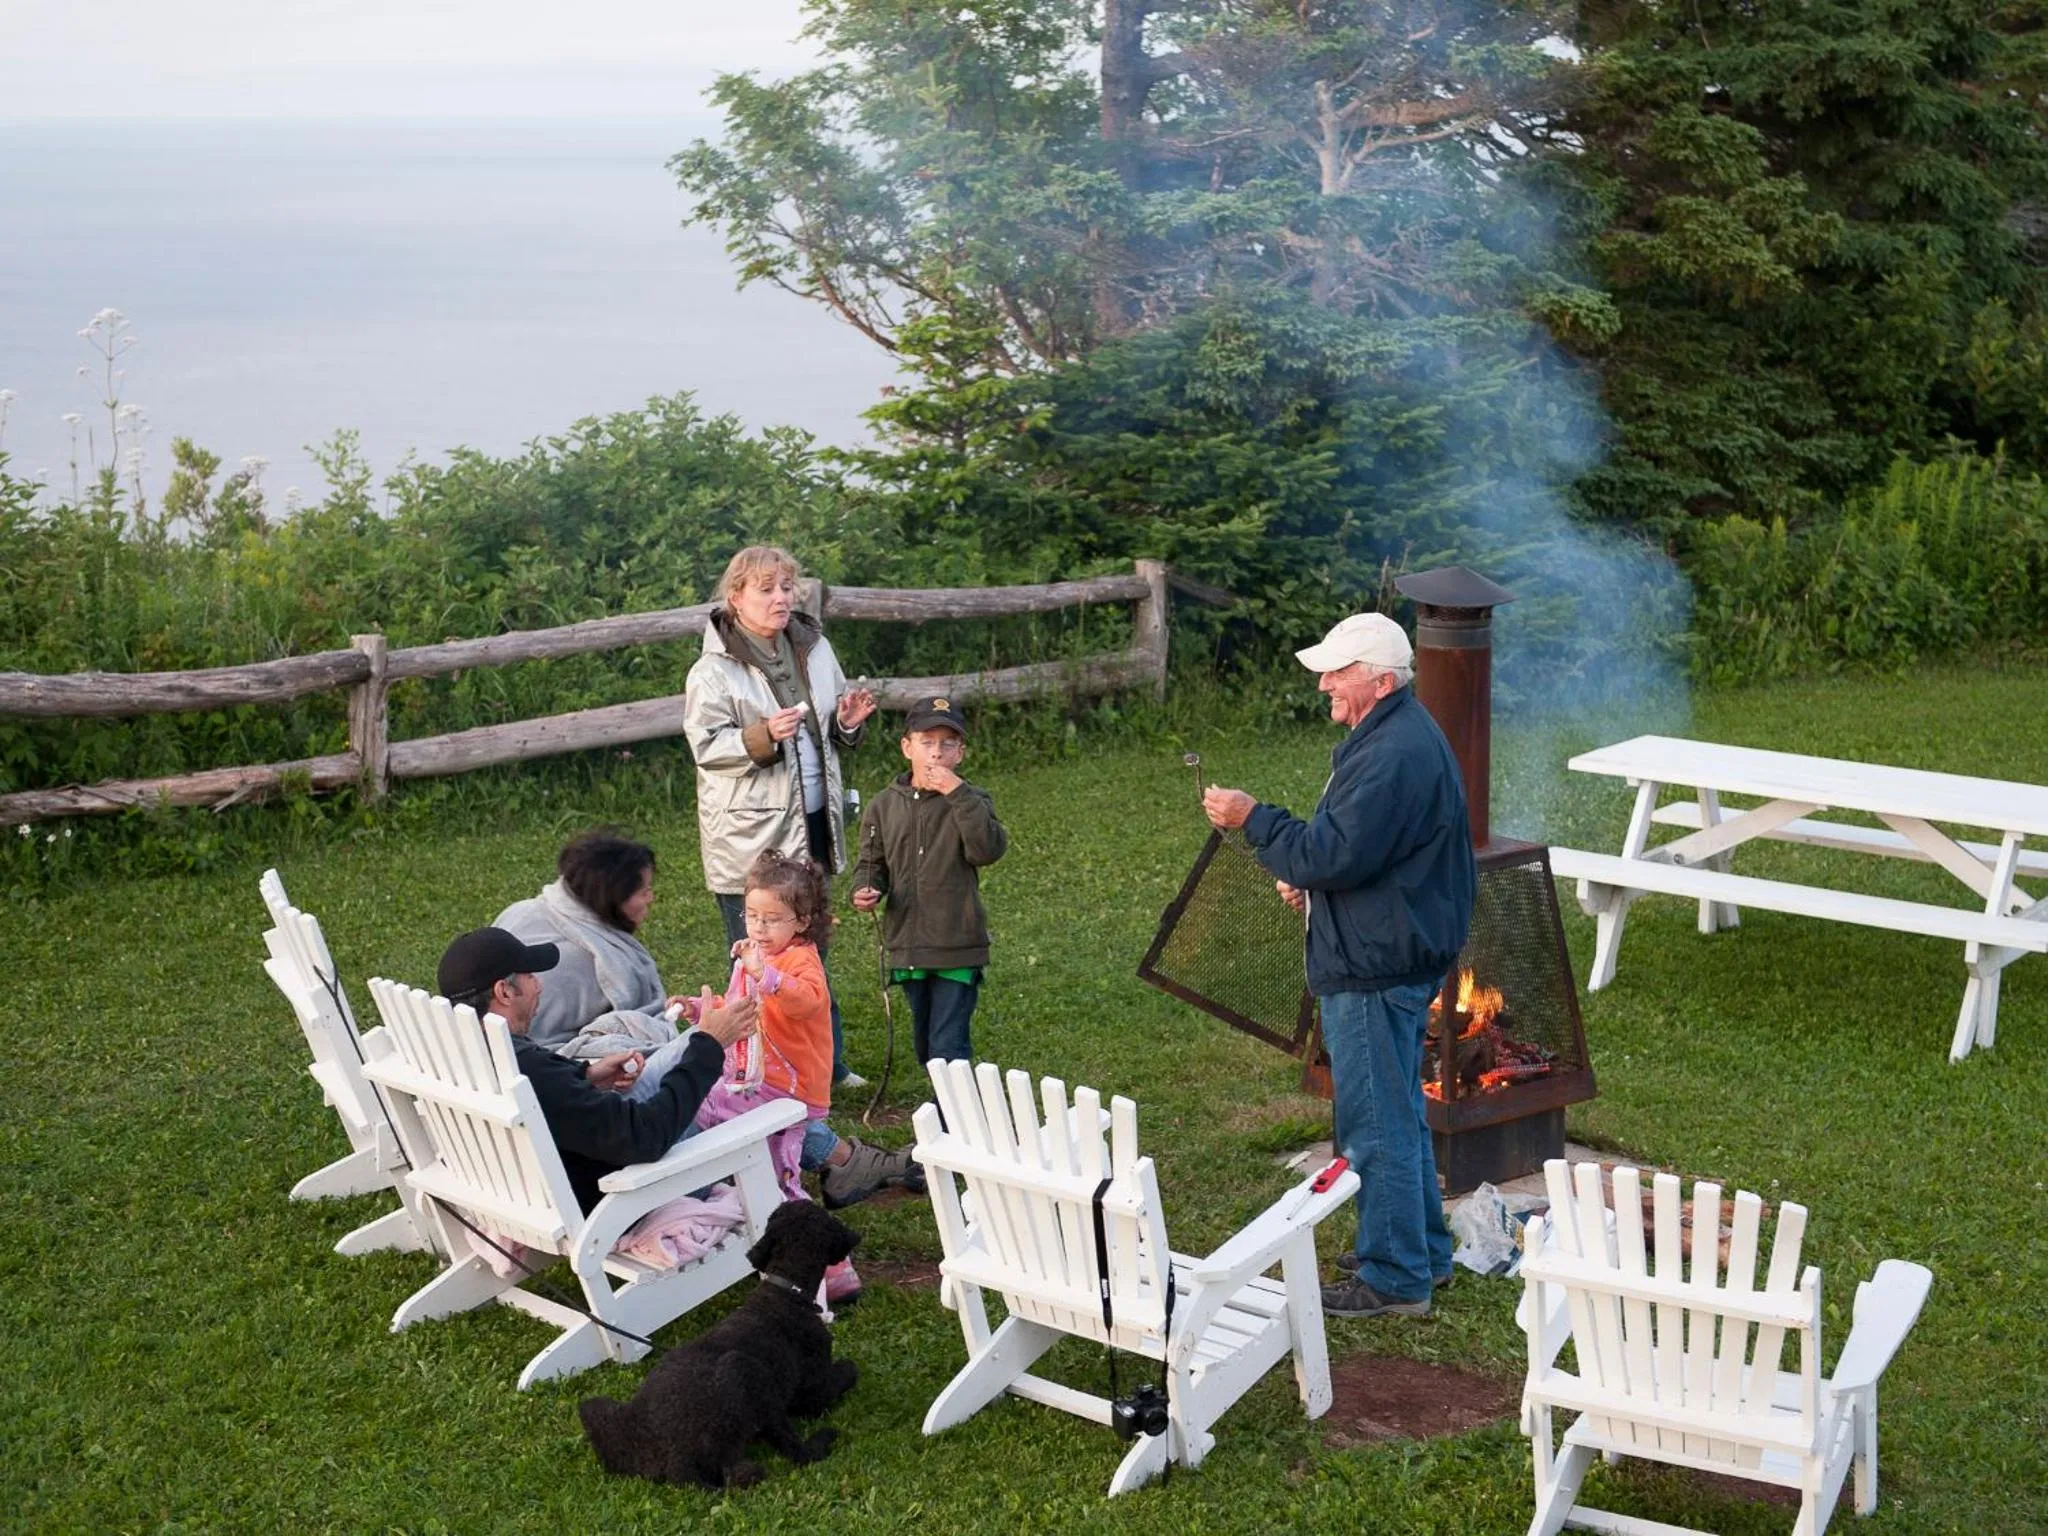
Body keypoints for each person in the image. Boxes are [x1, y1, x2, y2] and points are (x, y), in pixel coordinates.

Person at [1202, 611, 1476, 1320]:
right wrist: (1316, 877)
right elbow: (1356, 850)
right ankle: (1423, 1252)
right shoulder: (1394, 733)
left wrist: (1254, 819)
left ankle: (1393, 1278)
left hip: (1376, 964)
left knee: (1375, 1122)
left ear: (1379, 681)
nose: (1323, 683)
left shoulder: (1390, 753)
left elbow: (1332, 852)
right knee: (1400, 1112)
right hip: (1391, 946)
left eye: (1337, 672)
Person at [683, 545, 876, 1088]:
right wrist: (763, 735)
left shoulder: (814, 648)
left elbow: (829, 731)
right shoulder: (713, 669)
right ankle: (757, 1071)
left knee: (809, 953)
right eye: (766, 589)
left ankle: (826, 1068)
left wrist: (848, 723)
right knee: (757, 960)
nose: (780, 598)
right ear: (736, 597)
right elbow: (707, 747)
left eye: (786, 587)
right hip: (752, 839)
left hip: (813, 824)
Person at [435, 925, 758, 1215]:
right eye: (531, 976)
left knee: (677, 1055)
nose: (539, 986)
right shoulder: (526, 1068)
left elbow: (553, 1097)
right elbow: (645, 1137)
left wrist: (584, 1076)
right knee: (722, 1083)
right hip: (618, 1200)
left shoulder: (458, 1055)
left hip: (520, 1193)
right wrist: (710, 1045)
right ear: (504, 992)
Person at [686, 851, 864, 1302]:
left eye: (773, 919)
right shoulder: (750, 958)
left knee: (779, 1175)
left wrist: (764, 976)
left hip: (787, 1093)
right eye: (751, 916)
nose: (759, 929)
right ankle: (738, 1220)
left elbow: (807, 1002)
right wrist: (698, 1010)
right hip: (750, 1080)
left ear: (801, 922)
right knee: (717, 1135)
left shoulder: (801, 962)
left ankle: (834, 1266)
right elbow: (735, 1006)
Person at [850, 696, 1008, 1065]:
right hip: (908, 945)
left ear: (960, 753)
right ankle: (946, 1106)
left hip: (957, 943)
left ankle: (953, 1118)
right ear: (907, 747)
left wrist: (957, 793)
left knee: (946, 1045)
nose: (936, 753)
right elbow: (871, 862)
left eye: (947, 744)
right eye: (927, 742)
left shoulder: (973, 800)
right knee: (925, 1043)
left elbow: (987, 849)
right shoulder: (883, 806)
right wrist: (864, 888)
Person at [494, 831, 675, 1054]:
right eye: (643, 891)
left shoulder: (521, 911)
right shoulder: (593, 965)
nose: (651, 898)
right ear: (614, 898)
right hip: (544, 1070)